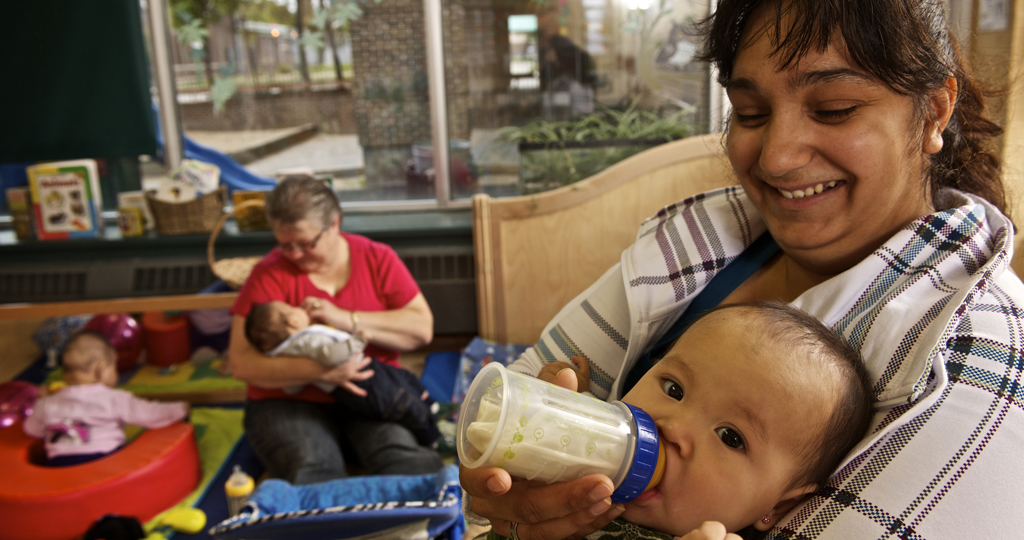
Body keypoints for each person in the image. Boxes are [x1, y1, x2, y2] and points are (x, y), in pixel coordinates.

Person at [460, 1, 1023, 539]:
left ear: (934, 111)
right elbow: (512, 408)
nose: (776, 156)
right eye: (750, 113)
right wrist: (515, 490)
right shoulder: (700, 242)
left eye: (833, 109)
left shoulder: (976, 355)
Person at [483, 302, 872, 540]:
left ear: (780, 505)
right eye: (673, 389)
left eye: (730, 437)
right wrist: (558, 414)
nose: (673, 427)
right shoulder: (580, 472)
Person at [228, 176, 443, 485]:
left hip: (370, 393)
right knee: (313, 468)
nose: (294, 254)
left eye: (305, 244)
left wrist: (345, 318)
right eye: (284, 245)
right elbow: (241, 362)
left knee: (405, 461)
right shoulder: (268, 273)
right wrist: (322, 371)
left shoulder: (376, 257)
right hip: (287, 402)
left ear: (334, 223)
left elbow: (421, 329)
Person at [244, 300, 441, 446]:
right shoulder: (306, 341)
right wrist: (359, 340)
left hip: (364, 374)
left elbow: (292, 387)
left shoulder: (288, 353)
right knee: (401, 402)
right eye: (292, 307)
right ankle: (433, 437)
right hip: (364, 381)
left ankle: (431, 407)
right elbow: (331, 355)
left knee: (404, 379)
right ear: (293, 321)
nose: (297, 308)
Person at [23, 331, 190, 467]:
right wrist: (180, 408)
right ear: (101, 369)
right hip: (105, 460)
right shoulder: (114, 398)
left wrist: (40, 402)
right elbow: (150, 414)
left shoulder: (48, 403)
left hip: (59, 464)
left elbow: (32, 429)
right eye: (114, 366)